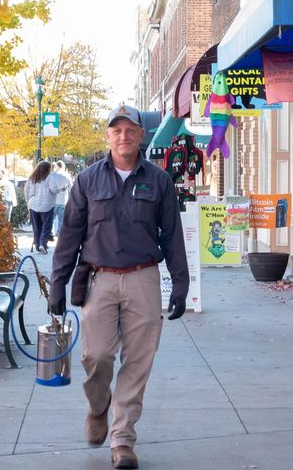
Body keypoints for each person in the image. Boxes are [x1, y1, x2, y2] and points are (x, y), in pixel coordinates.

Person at [48, 104, 189, 470]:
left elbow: (172, 236)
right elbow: (69, 236)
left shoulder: (158, 181)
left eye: (130, 130)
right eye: (117, 130)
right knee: (95, 356)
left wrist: (180, 284)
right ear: (108, 136)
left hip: (143, 277)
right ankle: (98, 407)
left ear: (141, 135)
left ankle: (122, 440)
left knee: (138, 361)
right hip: (100, 279)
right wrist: (57, 285)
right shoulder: (88, 181)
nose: (123, 136)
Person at [24, 161, 64, 254]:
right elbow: (54, 190)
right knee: (46, 226)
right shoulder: (49, 178)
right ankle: (43, 243)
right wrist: (60, 189)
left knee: (36, 227)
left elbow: (26, 192)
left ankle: (38, 246)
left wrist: (28, 203)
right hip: (47, 205)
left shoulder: (31, 179)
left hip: (33, 205)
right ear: (47, 169)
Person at [50, 160, 71, 238]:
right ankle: (59, 233)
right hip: (63, 200)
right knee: (61, 219)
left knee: (51, 219)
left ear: (57, 166)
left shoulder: (52, 175)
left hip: (53, 200)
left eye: (55, 166)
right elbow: (71, 188)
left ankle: (50, 233)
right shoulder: (66, 175)